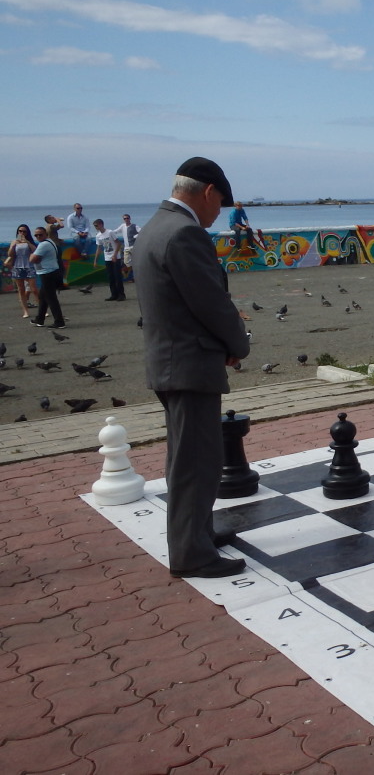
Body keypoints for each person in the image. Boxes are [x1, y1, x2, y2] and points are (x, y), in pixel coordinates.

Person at [137, 157, 251, 579]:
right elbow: (211, 303)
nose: (218, 212)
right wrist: (237, 344)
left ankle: (198, 534)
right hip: (189, 364)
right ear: (208, 191)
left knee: (188, 457)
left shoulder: (154, 227)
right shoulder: (185, 233)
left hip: (170, 361)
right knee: (196, 463)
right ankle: (192, 554)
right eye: (220, 202)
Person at [29, 224, 66, 329]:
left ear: (46, 234)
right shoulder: (50, 242)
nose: (38, 237)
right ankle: (40, 319)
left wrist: (31, 256)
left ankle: (59, 322)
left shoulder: (44, 245)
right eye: (36, 235)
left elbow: (33, 259)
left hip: (48, 273)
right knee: (43, 297)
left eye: (40, 235)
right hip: (51, 272)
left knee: (51, 298)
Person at [4, 224, 40, 317]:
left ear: (27, 233)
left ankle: (42, 309)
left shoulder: (29, 242)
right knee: (21, 289)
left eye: (24, 231)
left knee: (34, 289)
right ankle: (25, 311)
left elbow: (35, 251)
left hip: (29, 266)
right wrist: (13, 246)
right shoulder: (14, 242)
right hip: (17, 266)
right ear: (17, 232)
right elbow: (10, 254)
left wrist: (27, 242)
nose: (22, 233)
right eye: (20, 231)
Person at [92, 218, 125, 301]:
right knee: (111, 277)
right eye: (95, 226)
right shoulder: (98, 236)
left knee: (117, 276)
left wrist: (115, 254)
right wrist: (95, 260)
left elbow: (118, 243)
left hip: (115, 257)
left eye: (96, 225)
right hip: (107, 257)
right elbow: (99, 248)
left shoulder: (110, 232)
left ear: (101, 224)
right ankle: (114, 294)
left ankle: (121, 294)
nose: (96, 227)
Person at [118, 213, 139, 278]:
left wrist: (135, 236)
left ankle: (135, 276)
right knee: (126, 262)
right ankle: (131, 272)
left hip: (133, 247)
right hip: (126, 247)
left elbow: (141, 232)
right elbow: (116, 231)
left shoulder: (134, 226)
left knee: (136, 261)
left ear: (130, 219)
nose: (126, 219)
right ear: (123, 219)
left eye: (127, 218)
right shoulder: (122, 226)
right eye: (125, 218)